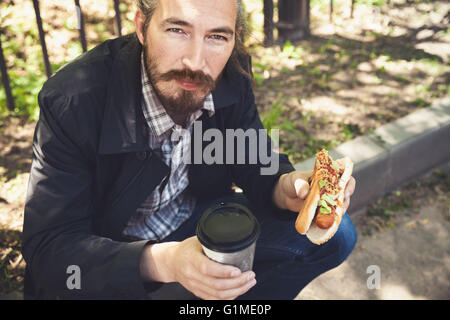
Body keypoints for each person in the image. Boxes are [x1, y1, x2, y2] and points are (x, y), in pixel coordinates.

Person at [22, 0, 357, 300]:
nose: (196, 62)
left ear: (233, 38)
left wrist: (285, 185)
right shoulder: (74, 101)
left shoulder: (231, 71)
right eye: (177, 29)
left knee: (338, 235)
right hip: (109, 251)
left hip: (196, 220)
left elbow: (253, 157)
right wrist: (164, 261)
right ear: (142, 26)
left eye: (217, 37)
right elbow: (50, 249)